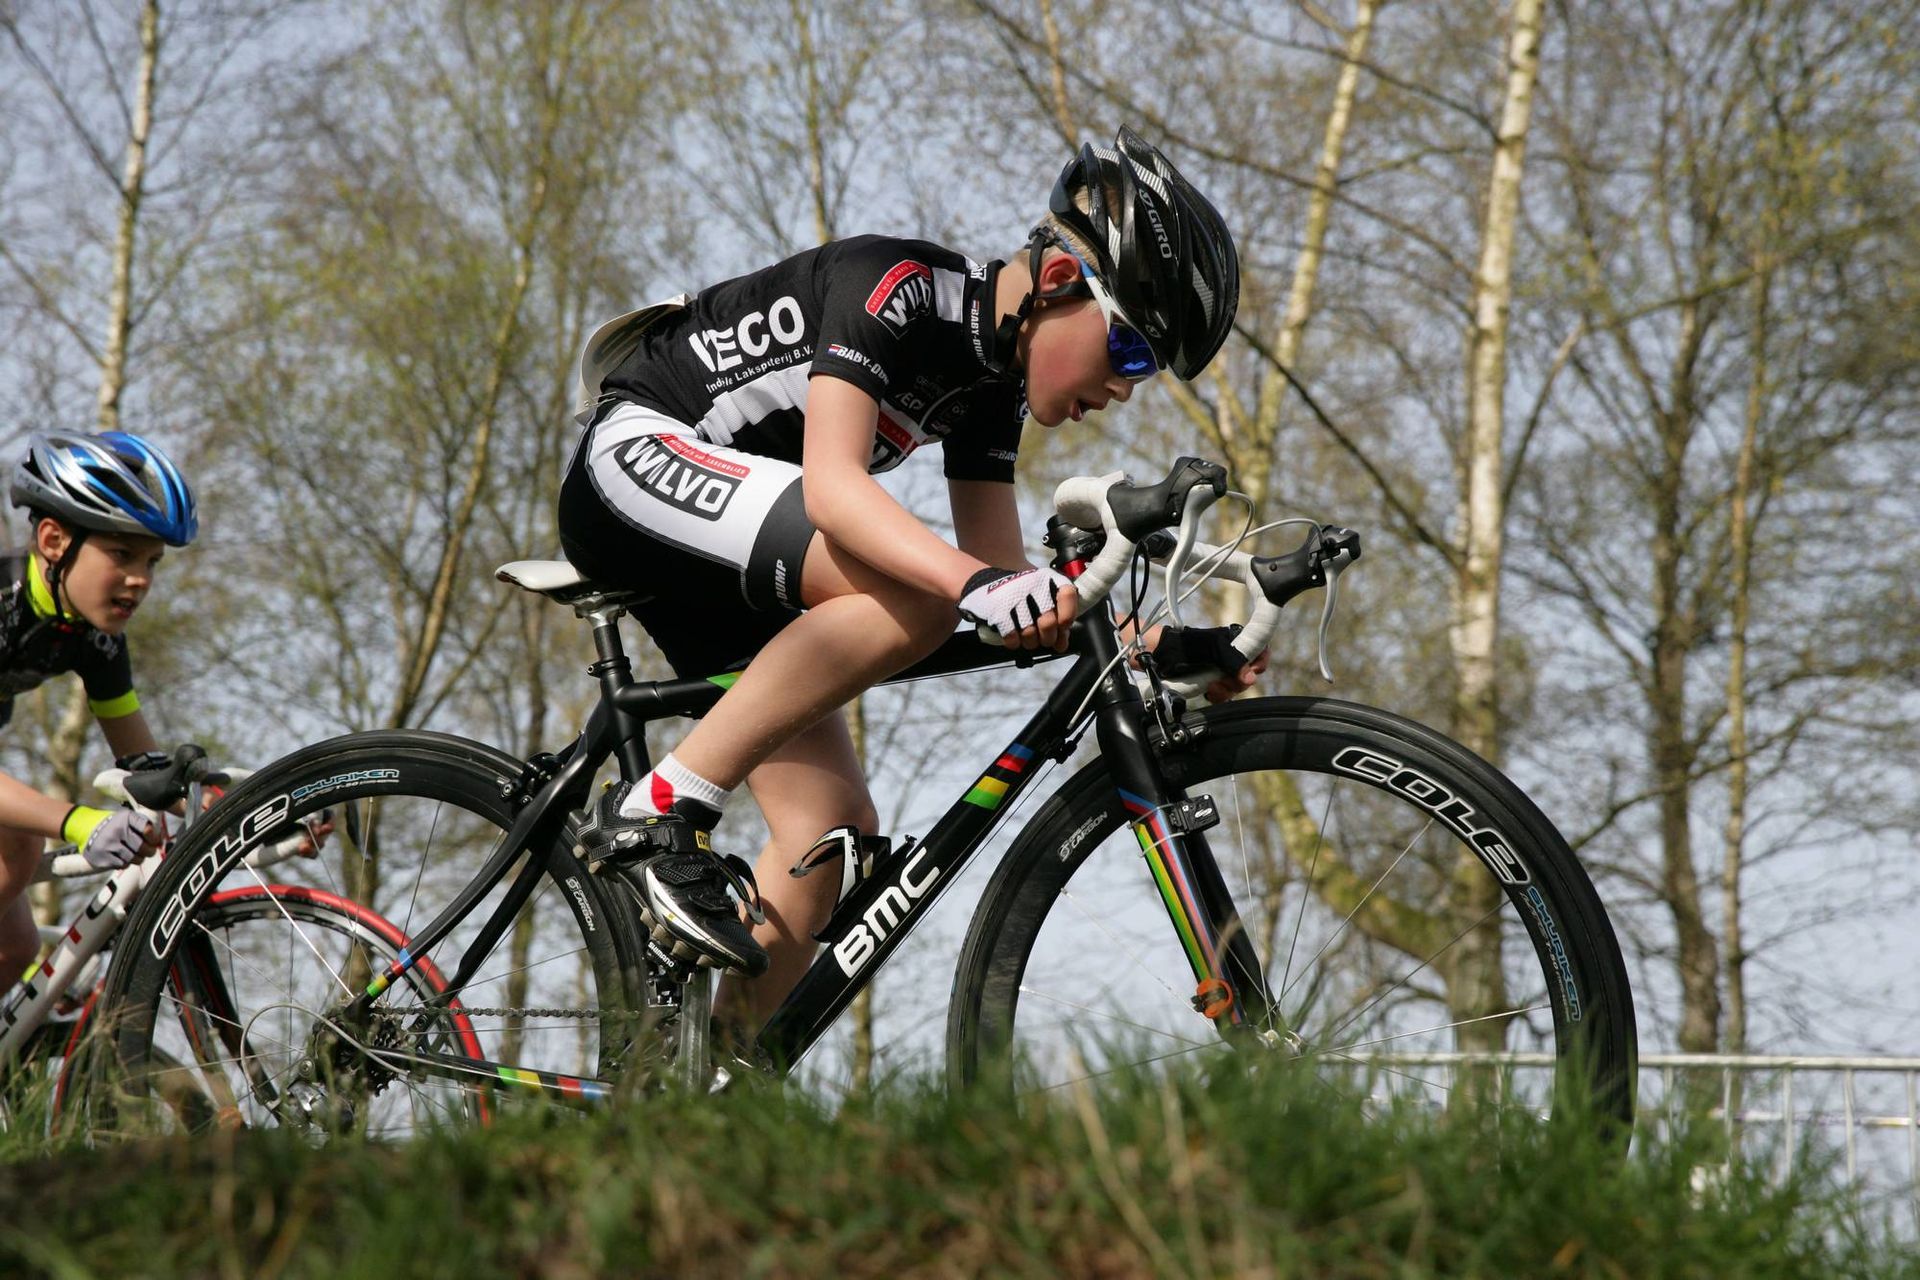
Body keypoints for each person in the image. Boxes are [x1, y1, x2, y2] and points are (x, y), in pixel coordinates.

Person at [558, 126, 1251, 1028]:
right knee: (925, 593)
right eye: (1128, 354)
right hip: (639, 460)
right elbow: (840, 492)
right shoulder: (898, 289)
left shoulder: (989, 388)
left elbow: (1012, 592)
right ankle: (657, 807)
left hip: (733, 560)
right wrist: (974, 588)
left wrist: (1162, 648)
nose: (1126, 389)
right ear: (1055, 284)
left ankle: (696, 1106)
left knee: (826, 844)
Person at [0, 431, 199, 983]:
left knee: (13, 954)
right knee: (19, 838)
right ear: (54, 539)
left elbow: (146, 769)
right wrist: (80, 822)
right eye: (122, 553)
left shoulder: (95, 637)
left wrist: (270, 819)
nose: (141, 579)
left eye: (153, 561)